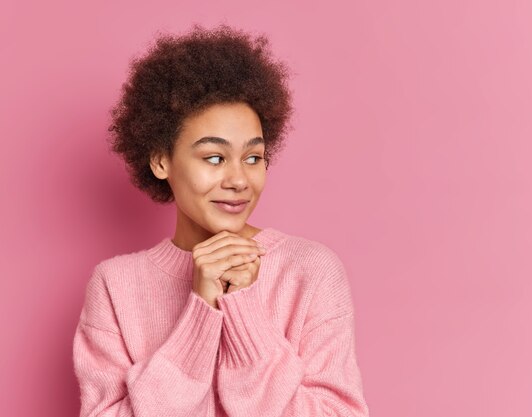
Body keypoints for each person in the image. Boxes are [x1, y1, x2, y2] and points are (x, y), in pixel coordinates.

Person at [72, 23, 370, 416]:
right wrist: (201, 310)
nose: (238, 180)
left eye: (253, 158)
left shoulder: (309, 271)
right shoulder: (115, 286)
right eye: (214, 158)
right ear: (162, 161)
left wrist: (242, 307)